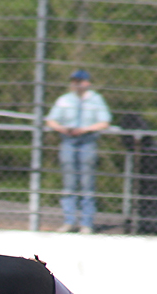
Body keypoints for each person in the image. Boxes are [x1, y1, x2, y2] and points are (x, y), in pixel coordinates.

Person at [45, 69, 112, 234]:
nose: (76, 84)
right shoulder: (65, 100)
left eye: (79, 81)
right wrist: (62, 128)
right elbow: (51, 120)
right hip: (68, 140)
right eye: (74, 81)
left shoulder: (96, 100)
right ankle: (69, 221)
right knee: (69, 183)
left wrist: (85, 129)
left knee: (87, 183)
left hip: (87, 141)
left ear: (87, 83)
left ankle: (86, 223)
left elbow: (104, 122)